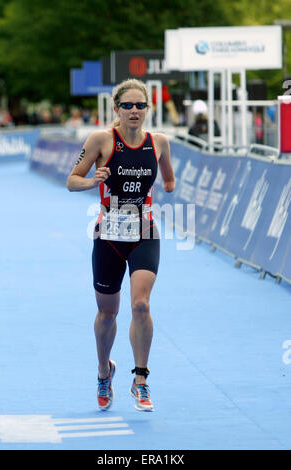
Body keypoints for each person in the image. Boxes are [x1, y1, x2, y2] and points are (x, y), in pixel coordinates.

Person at [66, 78, 175, 412]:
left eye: (140, 105)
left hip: (144, 233)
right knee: (107, 313)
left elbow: (168, 178)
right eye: (127, 105)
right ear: (116, 109)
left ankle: (140, 380)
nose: (134, 111)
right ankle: (104, 370)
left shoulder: (158, 142)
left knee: (140, 305)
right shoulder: (101, 139)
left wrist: (167, 185)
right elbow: (72, 181)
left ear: (147, 109)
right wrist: (91, 180)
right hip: (108, 237)